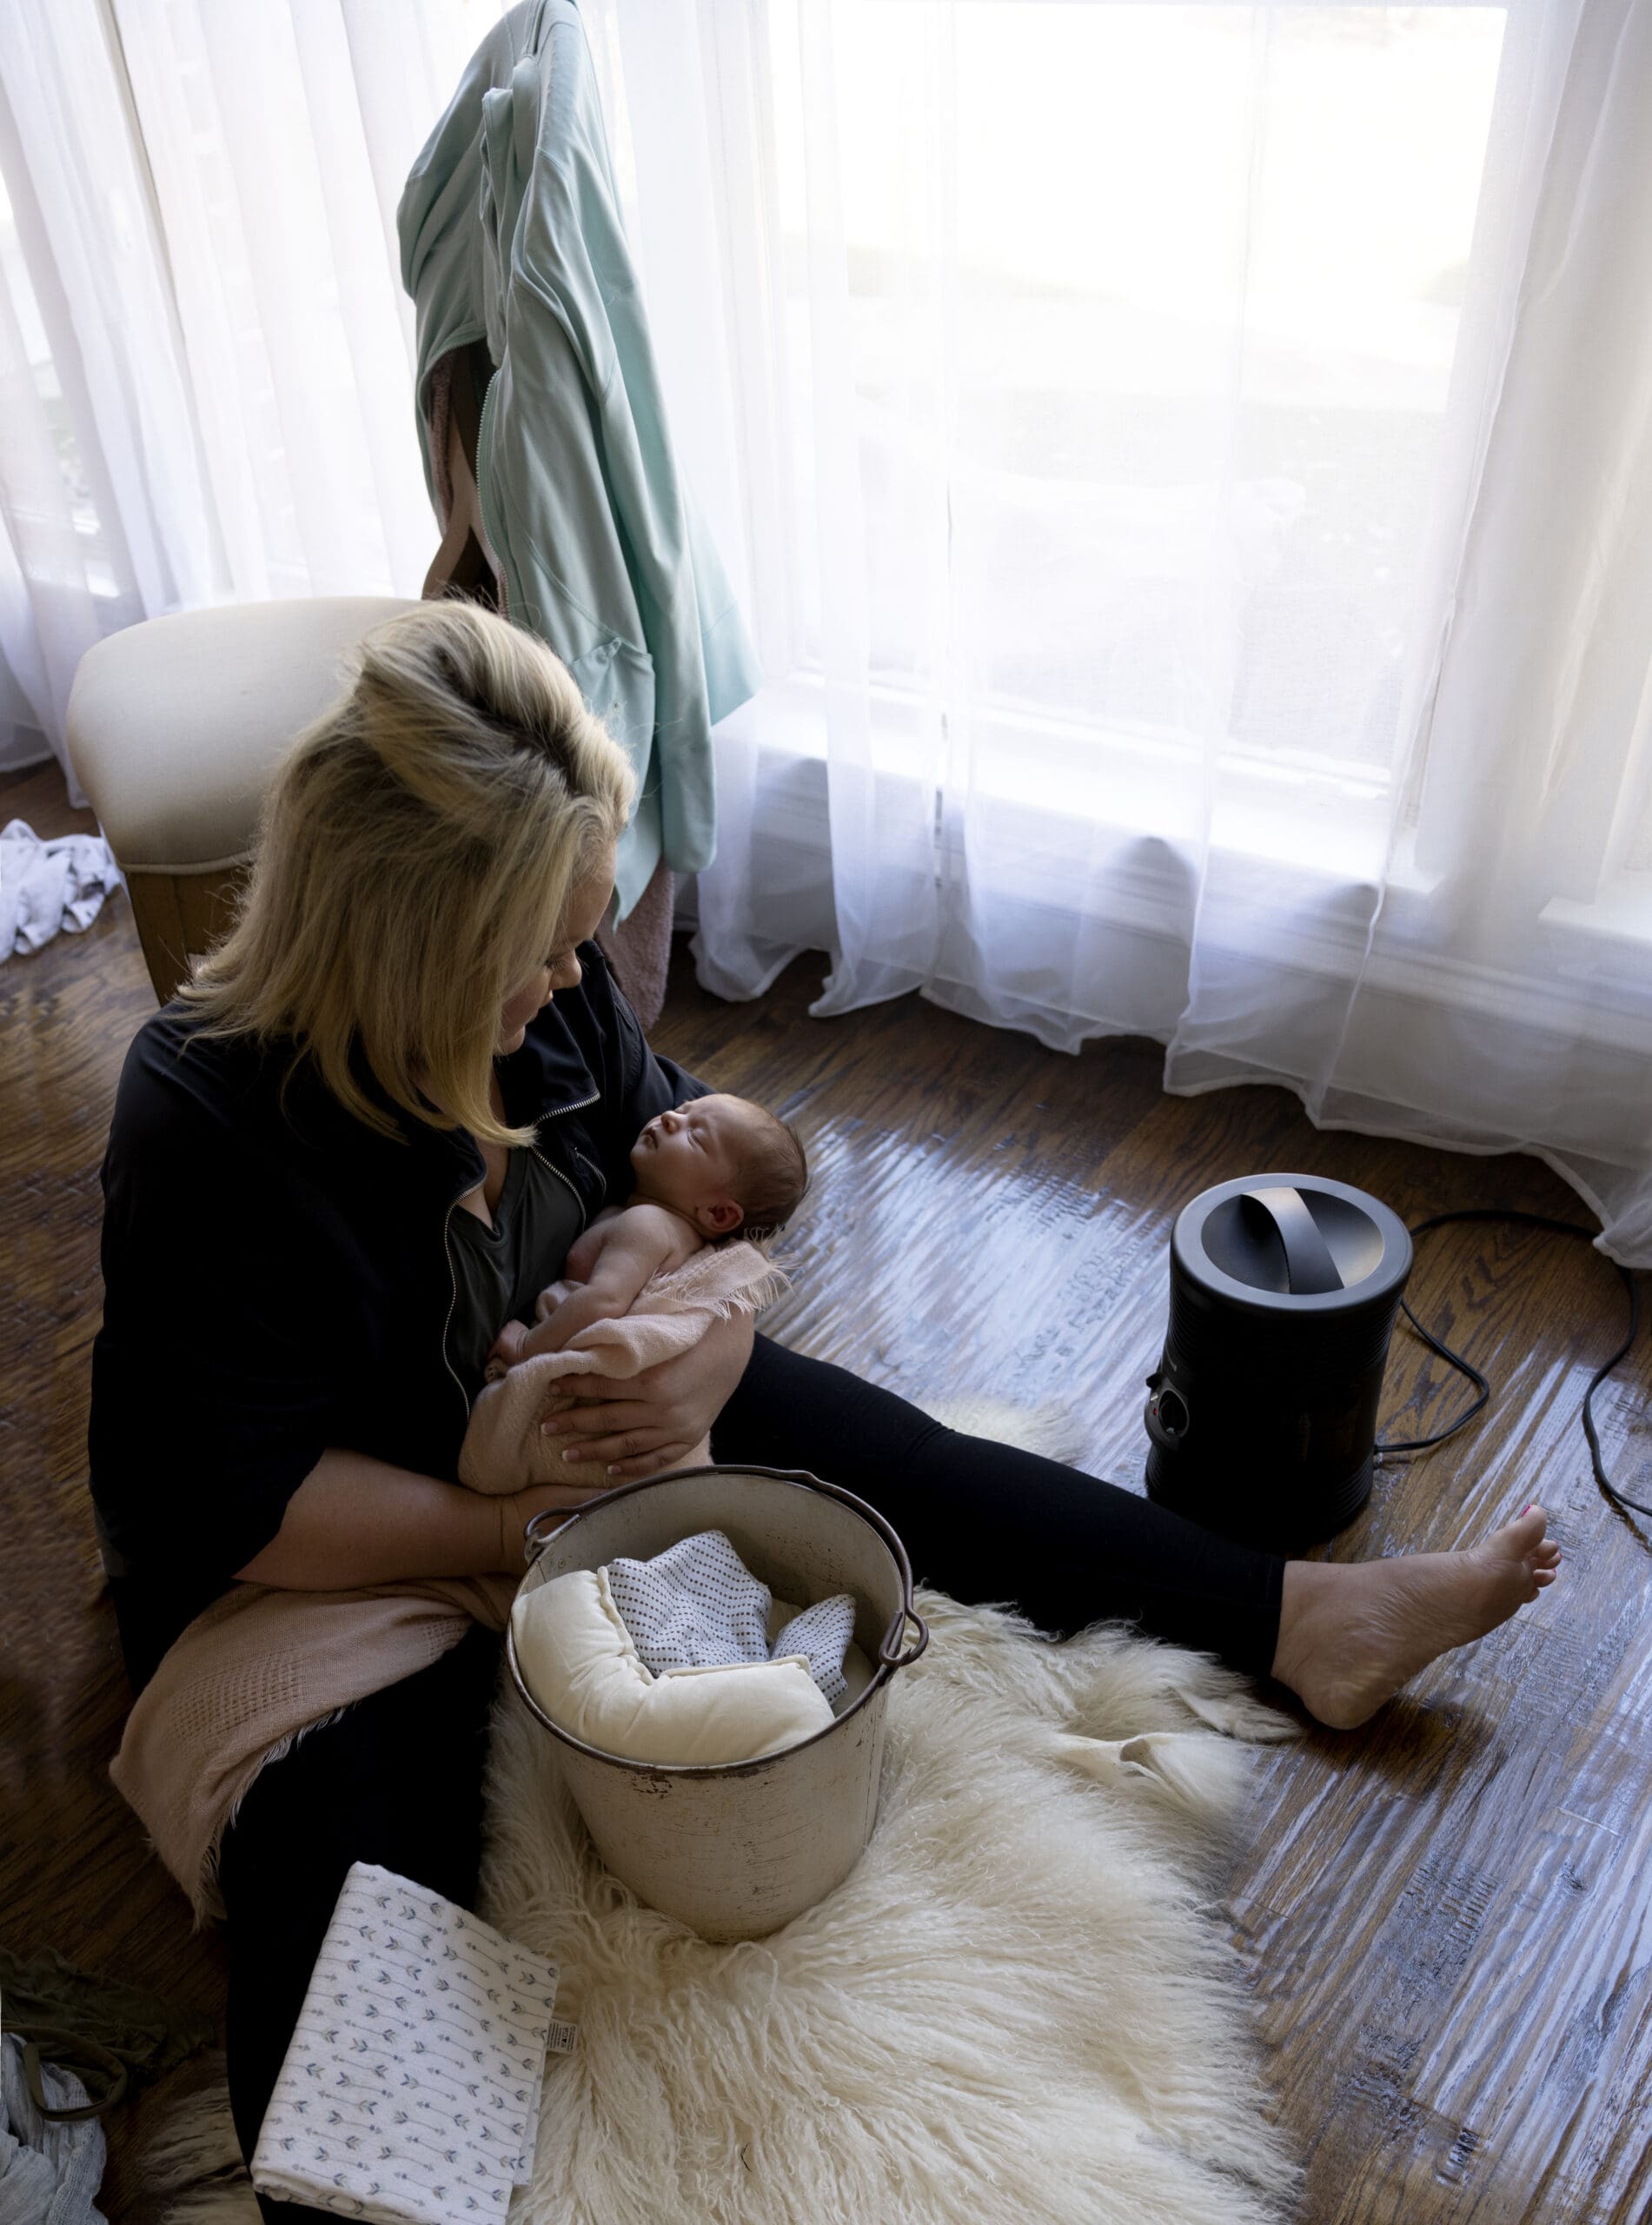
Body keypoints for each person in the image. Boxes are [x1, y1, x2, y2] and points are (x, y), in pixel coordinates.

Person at [88, 601, 1559, 2215]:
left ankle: (1301, 1620)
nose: (578, 976)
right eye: (543, 948)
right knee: (366, 1851)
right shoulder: (209, 1118)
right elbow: (217, 1507)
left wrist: (697, 1335)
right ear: (413, 950)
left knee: (891, 1463)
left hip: (560, 1423)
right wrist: (510, 1525)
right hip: (324, 1553)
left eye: (585, 931)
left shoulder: (551, 1003)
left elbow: (700, 1175)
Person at [485, 1092, 806, 1372]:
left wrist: (527, 1347)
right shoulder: (670, 1230)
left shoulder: (647, 1224)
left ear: (718, 1213)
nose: (668, 1117)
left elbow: (604, 1301)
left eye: (696, 1136)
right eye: (682, 1109)